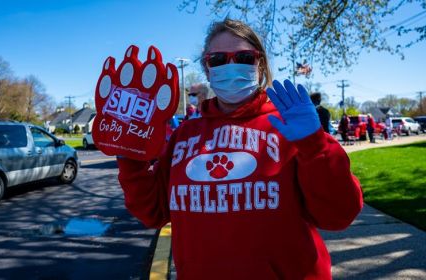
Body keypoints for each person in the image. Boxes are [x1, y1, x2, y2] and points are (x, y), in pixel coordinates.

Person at [116, 19, 363, 279]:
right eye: (218, 59)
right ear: (207, 69)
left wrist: (316, 146)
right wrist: (131, 159)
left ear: (260, 65)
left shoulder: (290, 129)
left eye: (244, 56)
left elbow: (339, 215)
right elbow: (152, 212)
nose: (230, 66)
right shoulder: (183, 136)